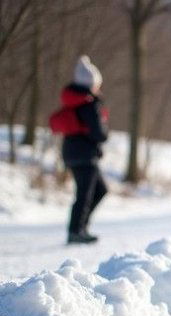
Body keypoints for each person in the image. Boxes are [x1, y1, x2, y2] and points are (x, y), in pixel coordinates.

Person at [59, 55, 109, 244]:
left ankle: (80, 228)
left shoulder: (73, 101)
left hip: (71, 153)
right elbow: (99, 133)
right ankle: (76, 231)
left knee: (98, 190)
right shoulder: (89, 104)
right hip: (85, 156)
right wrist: (102, 132)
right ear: (91, 83)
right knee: (86, 194)